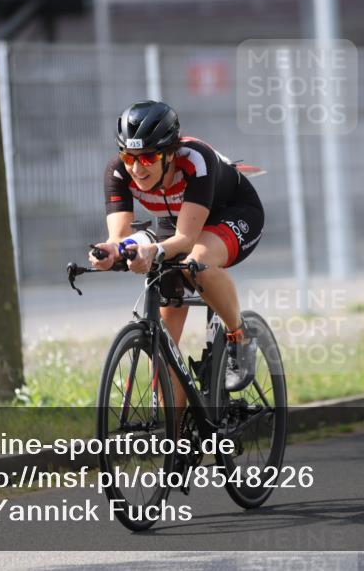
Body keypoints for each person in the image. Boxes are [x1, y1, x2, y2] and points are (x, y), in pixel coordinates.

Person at [89, 99, 265, 407]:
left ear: (170, 153)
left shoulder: (196, 159)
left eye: (148, 157)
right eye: (129, 156)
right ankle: (179, 442)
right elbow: (119, 237)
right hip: (177, 221)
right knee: (163, 347)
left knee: (194, 263)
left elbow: (185, 239)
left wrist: (152, 248)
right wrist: (109, 252)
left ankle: (240, 337)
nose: (136, 167)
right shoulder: (118, 172)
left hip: (231, 213)